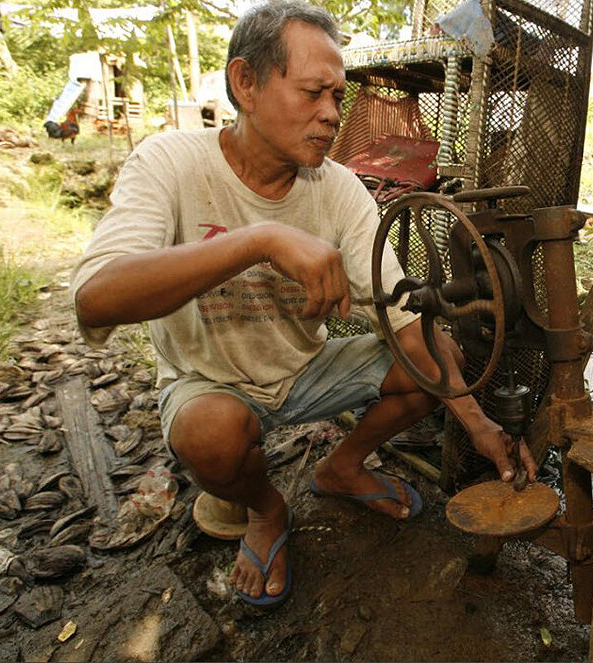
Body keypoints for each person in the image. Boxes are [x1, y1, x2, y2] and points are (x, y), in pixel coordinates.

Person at [71, 0, 536, 608]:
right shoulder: (172, 163)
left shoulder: (339, 190)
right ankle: (266, 510)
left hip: (305, 373)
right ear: (246, 83)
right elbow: (95, 298)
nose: (331, 116)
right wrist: (260, 240)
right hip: (207, 382)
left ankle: (340, 469)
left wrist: (480, 426)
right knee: (212, 434)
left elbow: (402, 314)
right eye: (313, 93)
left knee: (429, 361)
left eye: (338, 98)